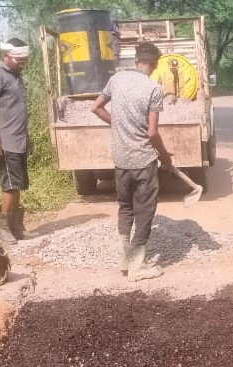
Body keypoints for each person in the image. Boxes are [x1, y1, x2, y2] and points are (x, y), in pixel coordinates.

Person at [91, 42, 172, 281]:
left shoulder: (117, 79)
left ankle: (124, 260)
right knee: (145, 211)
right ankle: (137, 266)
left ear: (136, 60)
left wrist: (118, 124)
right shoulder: (153, 89)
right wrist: (165, 157)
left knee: (125, 207)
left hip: (121, 158)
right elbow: (151, 133)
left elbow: (95, 107)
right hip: (143, 160)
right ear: (155, 64)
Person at [0, 38, 32, 244]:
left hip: (19, 141)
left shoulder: (16, 76)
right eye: (19, 60)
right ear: (7, 56)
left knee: (17, 184)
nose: (23, 63)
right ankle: (3, 229)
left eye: (24, 60)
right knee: (9, 186)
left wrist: (28, 139)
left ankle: (16, 226)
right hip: (6, 142)